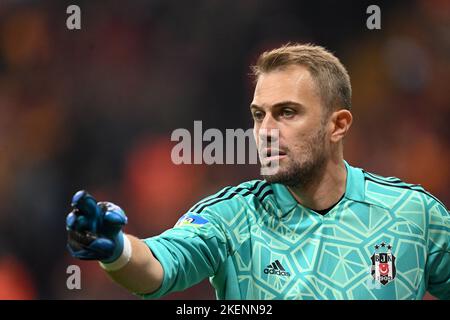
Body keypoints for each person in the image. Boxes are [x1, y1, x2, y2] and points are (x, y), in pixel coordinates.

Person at [66, 43, 449, 300]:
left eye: (286, 112)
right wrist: (116, 250)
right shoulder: (233, 217)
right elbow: (159, 264)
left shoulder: (413, 215)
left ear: (338, 125)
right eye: (258, 115)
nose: (265, 130)